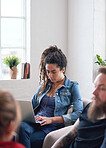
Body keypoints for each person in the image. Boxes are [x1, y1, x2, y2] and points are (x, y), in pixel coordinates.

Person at [18, 45, 83, 148]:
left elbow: (79, 114)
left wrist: (51, 119)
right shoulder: (45, 84)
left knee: (31, 139)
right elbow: (32, 104)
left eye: (54, 72)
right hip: (37, 122)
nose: (50, 75)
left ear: (63, 69)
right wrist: (30, 115)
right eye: (48, 71)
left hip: (51, 127)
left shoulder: (72, 87)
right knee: (19, 127)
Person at [44, 66, 106, 148]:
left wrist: (52, 119)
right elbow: (70, 135)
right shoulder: (90, 108)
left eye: (102, 88)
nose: (94, 92)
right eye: (95, 87)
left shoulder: (72, 86)